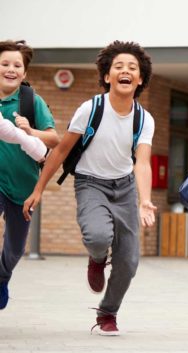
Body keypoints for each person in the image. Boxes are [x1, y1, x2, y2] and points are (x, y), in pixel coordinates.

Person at [22, 41, 156, 336]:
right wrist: (39, 189)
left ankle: (108, 312)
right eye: (118, 66)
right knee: (97, 237)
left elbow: (142, 162)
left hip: (125, 187)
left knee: (130, 262)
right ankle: (97, 259)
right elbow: (59, 151)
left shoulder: (144, 119)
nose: (125, 71)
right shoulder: (90, 109)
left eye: (132, 68)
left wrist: (145, 201)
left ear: (140, 79)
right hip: (90, 183)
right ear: (107, 76)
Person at [0, 40, 59, 310]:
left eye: (17, 65)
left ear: (24, 73)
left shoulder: (30, 101)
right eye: (4, 64)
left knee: (15, 249)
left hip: (23, 188)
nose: (10, 69)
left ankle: (2, 277)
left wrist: (30, 131)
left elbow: (54, 140)